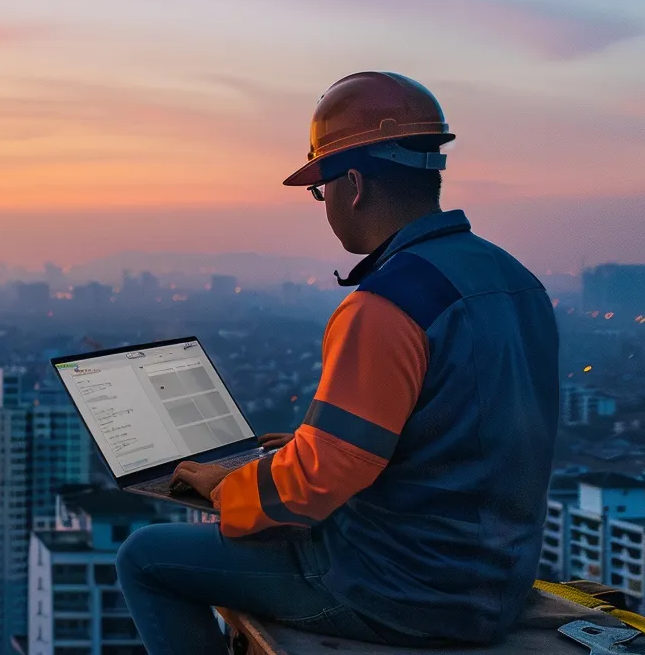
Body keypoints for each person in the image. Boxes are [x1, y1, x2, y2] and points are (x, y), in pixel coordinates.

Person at [115, 71, 560, 654]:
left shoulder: (386, 304)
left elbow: (320, 480)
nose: (324, 206)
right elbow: (450, 431)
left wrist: (230, 486)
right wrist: (304, 444)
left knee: (145, 557)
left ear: (352, 184)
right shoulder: (513, 281)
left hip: (399, 593)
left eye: (320, 189)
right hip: (493, 584)